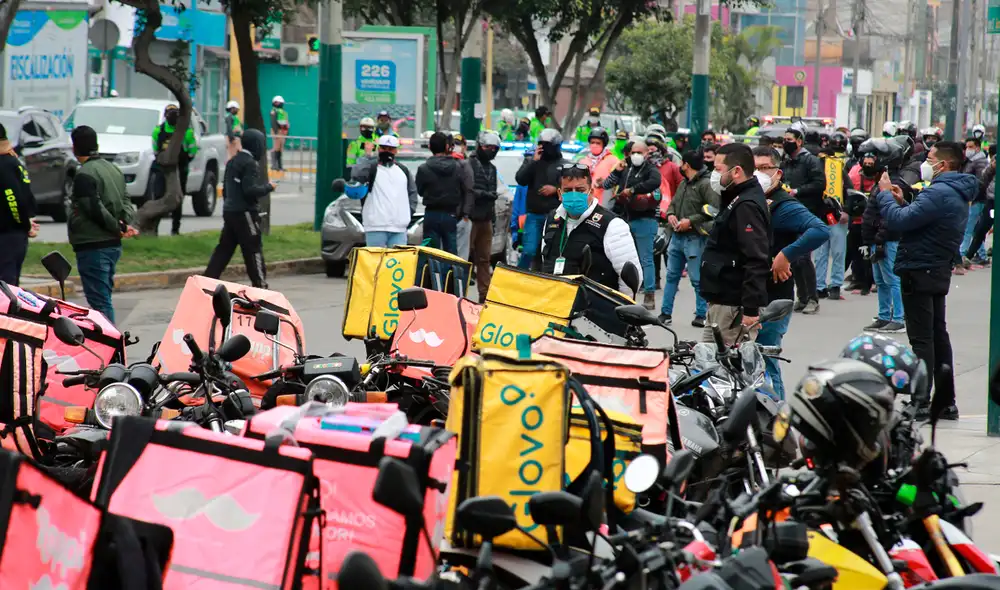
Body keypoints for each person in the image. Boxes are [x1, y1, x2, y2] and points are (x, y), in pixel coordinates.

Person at [876, 140, 977, 421]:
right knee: (937, 335)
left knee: (922, 340)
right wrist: (903, 201)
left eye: (930, 157)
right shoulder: (955, 191)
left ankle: (920, 401)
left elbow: (899, 221)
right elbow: (918, 218)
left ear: (943, 164)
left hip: (920, 269)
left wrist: (885, 196)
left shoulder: (939, 192)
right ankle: (945, 401)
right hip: (936, 269)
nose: (926, 162)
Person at [752, 146, 829, 398]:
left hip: (774, 296)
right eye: (754, 168)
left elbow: (819, 230)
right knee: (749, 364)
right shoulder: (750, 200)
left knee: (767, 360)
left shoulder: (784, 205)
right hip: (749, 294)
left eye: (764, 168)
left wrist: (786, 255)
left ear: (778, 173)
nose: (759, 174)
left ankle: (776, 421)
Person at [699, 143, 770, 346]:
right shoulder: (735, 198)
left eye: (718, 169)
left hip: (733, 305)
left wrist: (750, 309)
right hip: (722, 300)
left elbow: (756, 258)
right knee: (706, 363)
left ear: (736, 171)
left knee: (725, 369)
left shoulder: (746, 205)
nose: (714, 175)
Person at [68, 126, 137, 324]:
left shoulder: (85, 175)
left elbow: (94, 209)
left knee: (100, 302)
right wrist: (124, 222)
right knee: (103, 296)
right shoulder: (113, 169)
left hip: (93, 244)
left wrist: (116, 226)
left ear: (75, 148)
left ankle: (110, 345)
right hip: (112, 245)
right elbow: (126, 200)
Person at [540, 163, 641, 294]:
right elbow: (546, 260)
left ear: (591, 192)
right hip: (556, 305)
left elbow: (630, 281)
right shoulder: (552, 219)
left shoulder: (612, 224)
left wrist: (619, 309)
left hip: (595, 308)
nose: (574, 195)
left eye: (580, 190)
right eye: (568, 190)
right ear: (560, 193)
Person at [204, 128, 274, 288]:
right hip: (245, 213)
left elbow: (227, 190)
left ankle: (207, 281)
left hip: (230, 212)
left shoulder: (233, 161)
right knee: (253, 249)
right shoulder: (250, 164)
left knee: (224, 249)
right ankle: (260, 285)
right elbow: (249, 190)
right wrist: (268, 187)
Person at [659, 150, 716, 326]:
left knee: (697, 279)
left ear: (687, 165)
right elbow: (673, 205)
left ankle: (701, 315)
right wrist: (670, 215)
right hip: (677, 237)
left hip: (695, 239)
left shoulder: (706, 185)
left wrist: (690, 222)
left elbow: (713, 210)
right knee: (671, 277)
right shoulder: (684, 183)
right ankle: (665, 313)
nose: (680, 167)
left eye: (682, 163)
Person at [604, 140, 663, 309]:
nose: (635, 155)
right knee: (625, 258)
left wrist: (633, 190)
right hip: (624, 218)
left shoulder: (651, 170)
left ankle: (649, 295)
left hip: (645, 219)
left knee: (646, 258)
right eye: (633, 152)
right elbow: (607, 185)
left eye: (639, 152)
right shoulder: (626, 168)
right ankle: (625, 294)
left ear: (646, 154)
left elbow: (655, 182)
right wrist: (617, 171)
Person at [859, 138, 909, 333]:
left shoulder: (893, 183)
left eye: (876, 156)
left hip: (887, 240)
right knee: (881, 281)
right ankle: (883, 316)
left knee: (892, 279)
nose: (870, 160)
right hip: (878, 240)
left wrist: (879, 239)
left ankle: (898, 317)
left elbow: (889, 215)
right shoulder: (882, 181)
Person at [780, 126, 827, 314]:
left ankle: (812, 299)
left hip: (807, 214)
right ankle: (802, 297)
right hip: (789, 213)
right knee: (793, 258)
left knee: (804, 258)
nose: (785, 142)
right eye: (784, 139)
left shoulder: (810, 161)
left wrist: (797, 191)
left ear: (799, 141)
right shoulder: (786, 162)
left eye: (789, 139)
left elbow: (819, 184)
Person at [351, 134, 418, 247]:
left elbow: (412, 193)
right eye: (384, 148)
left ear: (396, 150)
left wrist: (407, 214)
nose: (387, 151)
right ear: (378, 149)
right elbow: (356, 175)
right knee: (376, 262)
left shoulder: (403, 171)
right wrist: (366, 157)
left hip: (399, 229)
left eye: (391, 149)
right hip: (375, 227)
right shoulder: (371, 168)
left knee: (397, 263)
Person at [516, 128, 566, 269]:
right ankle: (518, 278)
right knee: (529, 251)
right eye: (541, 144)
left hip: (556, 216)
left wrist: (555, 190)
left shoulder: (564, 164)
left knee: (552, 253)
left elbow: (570, 188)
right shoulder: (533, 162)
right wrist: (533, 161)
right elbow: (520, 179)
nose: (543, 148)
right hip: (534, 215)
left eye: (547, 145)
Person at [416, 132, 472, 256]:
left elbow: (420, 191)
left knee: (430, 253)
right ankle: (450, 274)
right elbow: (464, 189)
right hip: (450, 214)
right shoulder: (457, 167)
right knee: (451, 254)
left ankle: (432, 275)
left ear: (430, 147)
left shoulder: (423, 169)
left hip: (431, 213)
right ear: (447, 147)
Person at [814, 133, 852, 300]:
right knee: (820, 254)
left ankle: (835, 285)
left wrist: (847, 211)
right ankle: (819, 287)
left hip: (838, 215)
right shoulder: (815, 170)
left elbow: (850, 191)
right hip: (819, 216)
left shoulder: (838, 168)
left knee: (838, 252)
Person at [0, 123, 38, 285]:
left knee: (6, 289)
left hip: (7, 235)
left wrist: (24, 223)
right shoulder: (13, 162)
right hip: (15, 234)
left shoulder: (4, 166)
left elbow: (13, 200)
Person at [151, 104, 198, 235]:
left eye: (175, 113)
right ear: (165, 115)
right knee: (159, 197)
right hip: (162, 169)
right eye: (170, 113)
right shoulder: (158, 131)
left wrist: (183, 162)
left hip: (180, 170)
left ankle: (175, 229)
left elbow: (192, 150)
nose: (172, 116)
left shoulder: (186, 132)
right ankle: (155, 228)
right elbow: (155, 149)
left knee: (177, 199)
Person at [467, 131, 501, 302]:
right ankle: (460, 292)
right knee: (465, 257)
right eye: (488, 147)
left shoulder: (492, 169)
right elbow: (468, 190)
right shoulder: (469, 164)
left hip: (486, 217)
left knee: (484, 258)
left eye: (495, 148)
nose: (491, 150)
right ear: (479, 146)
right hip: (470, 217)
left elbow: (493, 193)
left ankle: (484, 295)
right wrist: (485, 194)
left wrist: (493, 219)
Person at [960, 136, 990, 266]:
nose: (968, 150)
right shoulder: (973, 160)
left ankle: (963, 255)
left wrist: (972, 195)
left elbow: (981, 182)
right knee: (976, 229)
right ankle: (982, 255)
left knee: (969, 227)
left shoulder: (979, 161)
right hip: (977, 199)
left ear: (977, 147)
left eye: (971, 147)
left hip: (978, 199)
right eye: (966, 147)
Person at [449, 133, 474, 260]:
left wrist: (465, 214)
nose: (456, 147)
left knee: (461, 256)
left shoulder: (467, 164)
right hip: (448, 216)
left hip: (461, 217)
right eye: (454, 144)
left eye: (459, 144)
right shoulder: (447, 162)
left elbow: (469, 190)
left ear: (465, 147)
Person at [581, 127, 619, 204]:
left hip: (604, 204)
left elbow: (617, 181)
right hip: (585, 203)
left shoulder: (613, 160)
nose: (594, 145)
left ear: (604, 144)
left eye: (598, 143)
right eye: (592, 142)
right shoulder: (583, 161)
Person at [270, 96, 289, 171]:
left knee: (280, 149)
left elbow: (286, 121)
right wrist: (276, 132)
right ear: (274, 103)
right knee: (276, 148)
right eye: (278, 102)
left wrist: (286, 131)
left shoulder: (283, 111)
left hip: (283, 131)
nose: (280, 103)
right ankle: (274, 165)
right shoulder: (274, 111)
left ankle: (280, 166)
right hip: (277, 131)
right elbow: (273, 122)